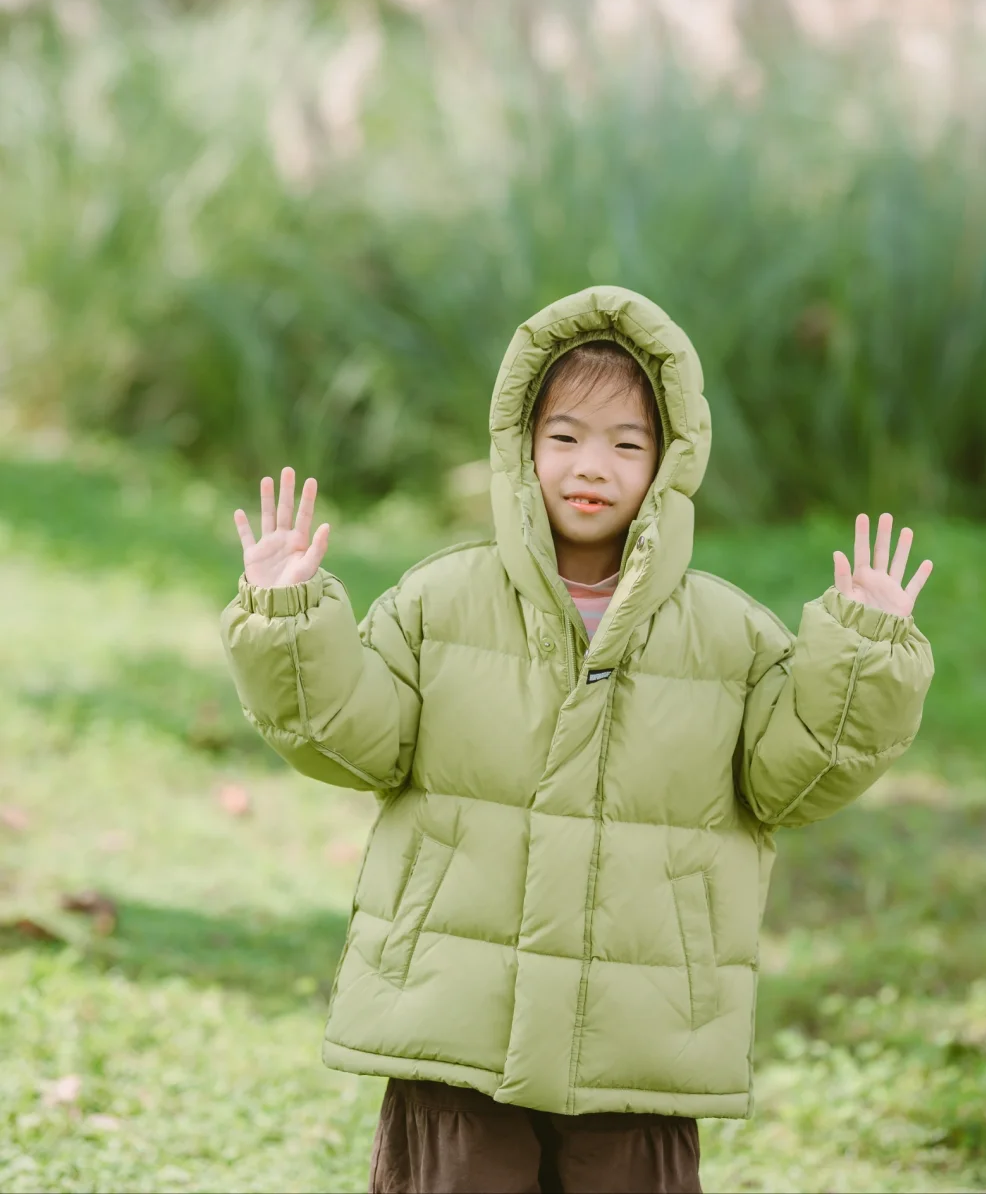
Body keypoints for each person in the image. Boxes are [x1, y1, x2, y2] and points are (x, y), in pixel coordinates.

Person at [221, 286, 934, 1194]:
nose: (590, 466)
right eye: (563, 437)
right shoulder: (439, 604)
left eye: (626, 443)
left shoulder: (727, 636)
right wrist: (287, 621)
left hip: (639, 1043)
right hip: (457, 1030)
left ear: (670, 462)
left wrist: (862, 659)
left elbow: (791, 783)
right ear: (520, 451)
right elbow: (349, 740)